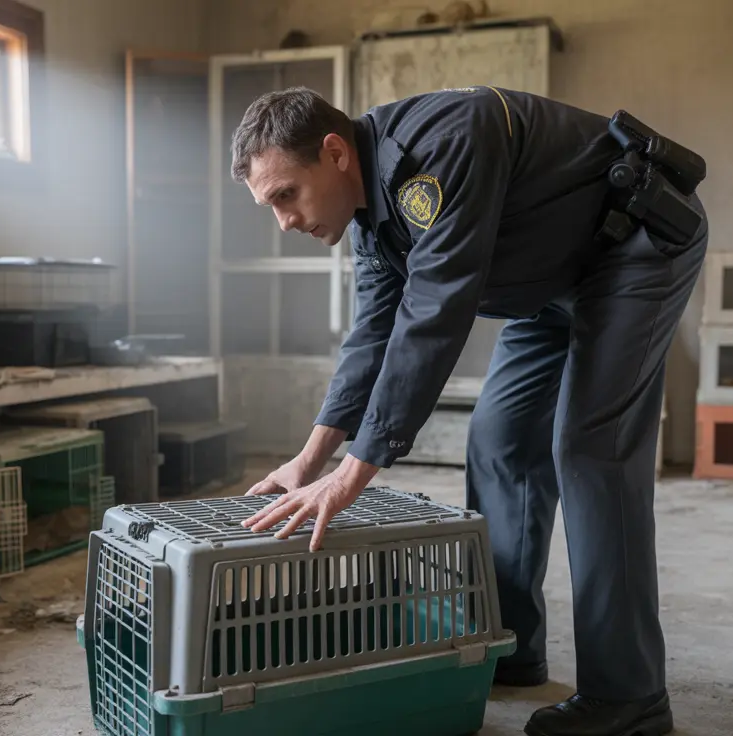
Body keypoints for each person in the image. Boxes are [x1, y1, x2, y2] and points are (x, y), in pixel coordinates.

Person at [232, 85, 707, 736]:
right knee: (498, 441)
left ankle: (630, 697)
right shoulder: (372, 214)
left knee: (593, 450)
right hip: (548, 284)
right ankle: (511, 644)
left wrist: (352, 477)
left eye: (286, 195)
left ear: (335, 153)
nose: (284, 221)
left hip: (632, 252)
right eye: (270, 206)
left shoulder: (443, 142)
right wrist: (309, 460)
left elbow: (433, 317)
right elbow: (375, 334)